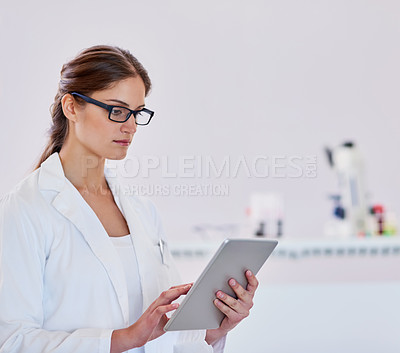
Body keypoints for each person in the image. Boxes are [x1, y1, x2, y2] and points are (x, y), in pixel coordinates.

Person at [0, 45, 259, 353]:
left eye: (137, 113)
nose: (131, 126)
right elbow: (12, 340)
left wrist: (216, 329)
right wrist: (122, 339)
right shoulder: (26, 209)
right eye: (117, 111)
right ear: (71, 107)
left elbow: (164, 337)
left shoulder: (141, 211)